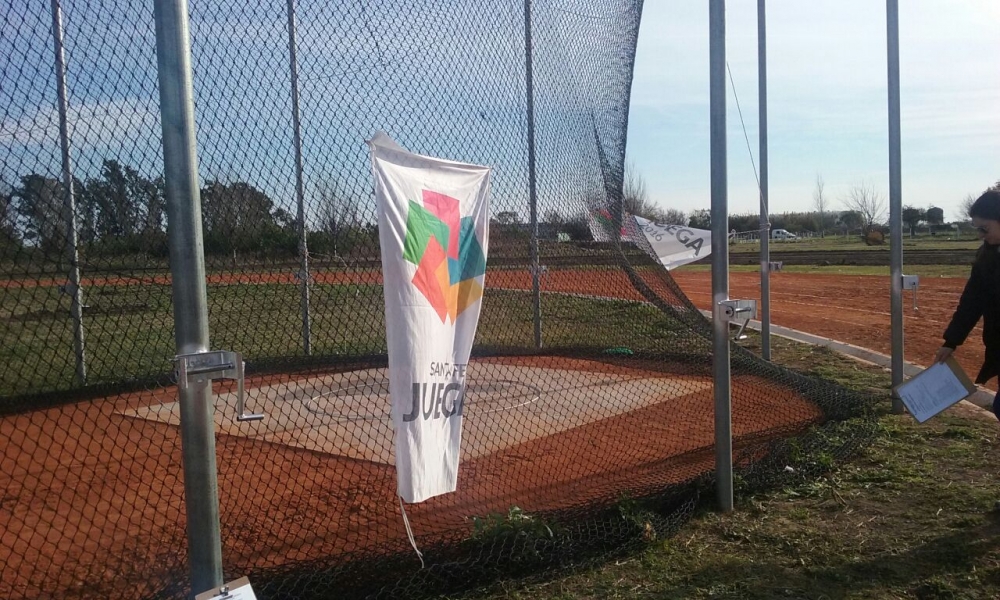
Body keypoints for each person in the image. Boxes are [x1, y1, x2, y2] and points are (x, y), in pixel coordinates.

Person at [934, 190, 1000, 418]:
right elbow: (972, 301)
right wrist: (951, 341)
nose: (981, 235)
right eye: (977, 229)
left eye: (985, 228)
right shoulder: (987, 257)